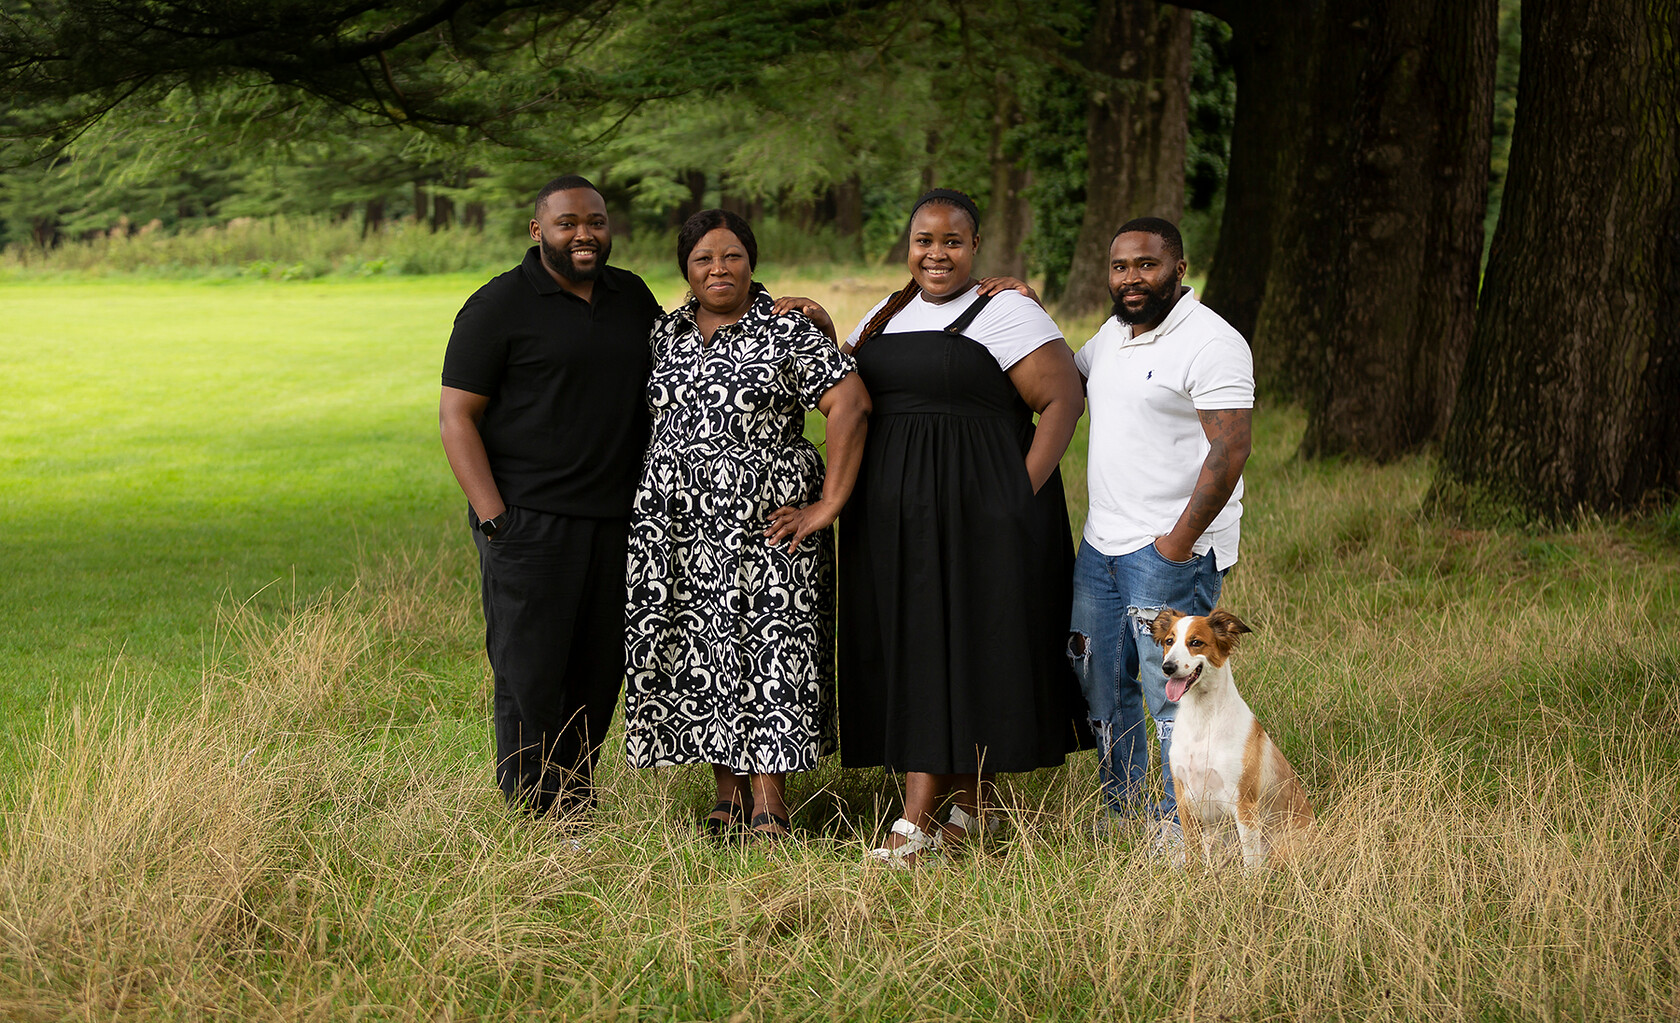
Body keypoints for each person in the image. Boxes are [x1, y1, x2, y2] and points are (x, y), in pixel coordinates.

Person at [839, 188, 1088, 866]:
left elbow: (1063, 398)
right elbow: (844, 382)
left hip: (983, 514)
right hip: (895, 521)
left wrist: (1017, 494)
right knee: (925, 648)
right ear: (908, 244)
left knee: (969, 648)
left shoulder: (1006, 310)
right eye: (924, 240)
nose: (936, 253)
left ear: (975, 246)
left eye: (952, 241)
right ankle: (972, 806)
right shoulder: (887, 311)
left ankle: (915, 820)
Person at [623, 209, 869, 841]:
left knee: (771, 650)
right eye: (703, 259)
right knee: (703, 653)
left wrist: (828, 504)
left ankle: (770, 798)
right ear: (686, 268)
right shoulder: (666, 336)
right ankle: (726, 792)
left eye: (731, 256)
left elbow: (850, 403)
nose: (718, 269)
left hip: (768, 525)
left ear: (751, 262)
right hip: (678, 527)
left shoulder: (785, 331)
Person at [439, 175, 660, 816]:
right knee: (529, 670)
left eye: (595, 221)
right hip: (529, 522)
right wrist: (495, 520)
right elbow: (458, 418)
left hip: (619, 520)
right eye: (567, 223)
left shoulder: (631, 295)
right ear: (539, 231)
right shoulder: (498, 306)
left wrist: (786, 310)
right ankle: (532, 806)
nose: (584, 234)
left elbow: (700, 346)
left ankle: (575, 799)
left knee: (598, 668)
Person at [1066, 216, 1254, 844]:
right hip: (1101, 547)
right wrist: (1021, 307)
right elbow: (1065, 378)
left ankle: (1184, 825)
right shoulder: (1113, 335)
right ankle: (1124, 810)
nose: (1131, 278)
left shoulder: (1211, 342)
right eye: (1120, 267)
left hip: (1168, 550)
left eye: (1146, 265)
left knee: (1173, 688)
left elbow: (1229, 449)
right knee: (1101, 685)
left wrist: (1175, 543)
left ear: (1179, 267)